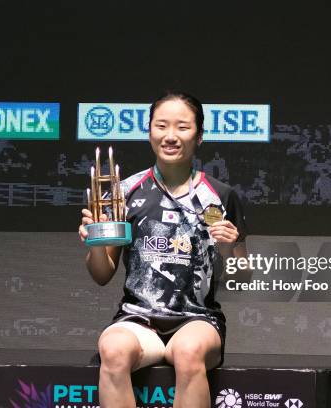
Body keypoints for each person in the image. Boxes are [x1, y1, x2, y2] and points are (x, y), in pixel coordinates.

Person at [78, 91, 247, 408]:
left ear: (200, 136)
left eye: (182, 127)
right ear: (150, 132)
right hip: (138, 320)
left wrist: (229, 249)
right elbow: (102, 275)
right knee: (111, 350)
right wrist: (96, 244)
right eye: (161, 126)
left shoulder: (220, 196)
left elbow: (243, 278)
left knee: (187, 351)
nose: (170, 136)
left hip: (198, 321)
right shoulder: (125, 192)